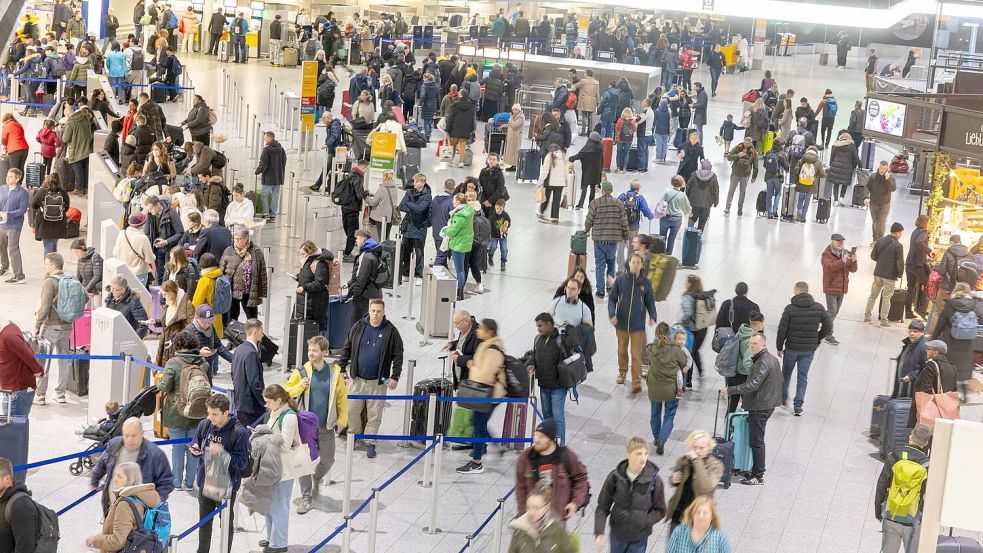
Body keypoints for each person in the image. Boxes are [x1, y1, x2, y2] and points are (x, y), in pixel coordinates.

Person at [284, 335, 347, 514]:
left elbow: (342, 398)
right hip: (305, 426)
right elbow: (286, 392)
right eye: (309, 350)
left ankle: (316, 478)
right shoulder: (301, 372)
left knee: (328, 459)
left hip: (326, 426)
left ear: (324, 352)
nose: (311, 353)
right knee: (303, 461)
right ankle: (306, 497)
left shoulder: (335, 373)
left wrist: (342, 420)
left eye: (315, 350)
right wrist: (299, 387)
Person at [335, 299, 403, 459]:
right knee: (352, 410)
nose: (375, 314)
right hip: (356, 379)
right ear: (369, 310)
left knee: (375, 413)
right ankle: (354, 435)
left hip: (378, 382)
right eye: (373, 311)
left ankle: (370, 441)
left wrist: (395, 376)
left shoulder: (390, 331)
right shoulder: (359, 326)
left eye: (378, 311)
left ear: (383, 312)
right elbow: (347, 346)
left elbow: (398, 353)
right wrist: (341, 367)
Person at [189, 393, 251, 553]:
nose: (210, 417)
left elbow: (242, 462)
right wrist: (194, 449)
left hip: (226, 487)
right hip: (205, 483)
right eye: (209, 413)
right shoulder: (204, 424)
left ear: (226, 412)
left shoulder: (240, 433)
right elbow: (196, 443)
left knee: (226, 525)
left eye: (214, 414)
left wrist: (222, 454)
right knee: (204, 524)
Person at [723, 332, 782, 485]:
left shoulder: (763, 361)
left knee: (756, 441)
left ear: (764, 344)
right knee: (756, 440)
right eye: (750, 343)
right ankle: (755, 471)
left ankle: (758, 475)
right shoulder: (771, 359)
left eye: (754, 343)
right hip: (766, 403)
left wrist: (731, 390)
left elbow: (753, 384)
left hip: (760, 407)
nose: (751, 346)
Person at [593, 437, 667, 552]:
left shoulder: (654, 480)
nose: (643, 458)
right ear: (629, 454)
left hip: (639, 538)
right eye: (638, 454)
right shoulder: (615, 477)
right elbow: (602, 506)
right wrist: (599, 531)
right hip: (617, 534)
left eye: (645, 454)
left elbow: (661, 510)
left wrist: (645, 521)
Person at [90, 417, 173, 515]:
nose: (130, 439)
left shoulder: (155, 455)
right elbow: (101, 464)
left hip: (138, 514)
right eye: (126, 435)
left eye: (134, 435)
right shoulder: (114, 445)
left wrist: (155, 501)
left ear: (142, 433)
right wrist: (94, 481)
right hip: (111, 507)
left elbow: (166, 482)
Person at [456, 318, 507, 474]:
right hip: (487, 392)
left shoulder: (492, 349)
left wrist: (471, 365)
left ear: (489, 332)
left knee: (478, 424)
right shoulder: (487, 345)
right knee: (478, 422)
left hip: (491, 394)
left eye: (481, 329)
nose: (478, 330)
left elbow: (485, 375)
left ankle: (477, 462)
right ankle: (496, 446)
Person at [513, 419, 589, 519]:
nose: (536, 439)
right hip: (531, 517)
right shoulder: (526, 457)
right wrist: (523, 513)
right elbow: (520, 488)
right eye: (535, 435)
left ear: (551, 439)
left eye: (541, 437)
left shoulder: (566, 456)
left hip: (556, 519)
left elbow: (581, 479)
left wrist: (575, 503)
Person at [874, 424, 932, 553]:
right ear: (926, 443)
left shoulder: (894, 455)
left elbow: (882, 484)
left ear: (910, 437)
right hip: (913, 518)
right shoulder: (927, 464)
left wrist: (878, 511)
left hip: (892, 514)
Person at [777, 282, 832, 416]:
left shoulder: (790, 309)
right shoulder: (818, 308)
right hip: (808, 350)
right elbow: (828, 326)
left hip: (791, 348)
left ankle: (783, 399)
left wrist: (779, 346)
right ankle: (798, 406)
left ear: (797, 291)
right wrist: (817, 339)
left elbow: (782, 329)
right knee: (803, 377)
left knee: (786, 374)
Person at [158, 330, 204, 491]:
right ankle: (190, 482)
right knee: (194, 448)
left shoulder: (173, 362)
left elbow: (164, 386)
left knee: (177, 448)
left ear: (178, 345)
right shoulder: (203, 363)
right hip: (198, 412)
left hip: (176, 411)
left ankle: (177, 482)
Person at [84, 461, 162, 552]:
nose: (115, 479)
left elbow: (117, 541)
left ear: (130, 479)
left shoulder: (125, 505)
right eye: (115, 475)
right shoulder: (143, 497)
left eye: (120, 476)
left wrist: (94, 540)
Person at [610, 254, 658, 394]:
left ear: (642, 265)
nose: (635, 265)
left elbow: (650, 301)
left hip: (638, 325)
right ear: (629, 263)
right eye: (633, 262)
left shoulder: (646, 283)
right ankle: (622, 372)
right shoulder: (620, 281)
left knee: (636, 354)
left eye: (638, 263)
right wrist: (612, 314)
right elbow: (612, 299)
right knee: (622, 350)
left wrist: (652, 316)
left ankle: (636, 381)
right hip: (622, 323)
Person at [666, 431, 724, 534]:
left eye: (701, 448)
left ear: (709, 448)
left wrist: (696, 461)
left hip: (699, 517)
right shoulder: (684, 460)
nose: (697, 451)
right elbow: (677, 480)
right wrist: (673, 479)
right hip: (679, 514)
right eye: (694, 447)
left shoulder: (716, 465)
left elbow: (705, 487)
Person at [930, 282, 978, 402]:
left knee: (950, 367)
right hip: (967, 343)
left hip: (951, 341)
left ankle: (950, 395)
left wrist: (933, 338)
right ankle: (965, 395)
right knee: (965, 367)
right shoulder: (973, 305)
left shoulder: (950, 304)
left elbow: (941, 322)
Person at [646, 322, 687, 454]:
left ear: (656, 334)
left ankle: (657, 438)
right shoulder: (676, 351)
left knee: (655, 413)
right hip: (672, 389)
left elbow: (648, 360)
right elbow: (684, 363)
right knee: (669, 415)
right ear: (670, 335)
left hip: (654, 387)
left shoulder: (651, 349)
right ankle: (663, 440)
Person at [585, 181, 629, 298]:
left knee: (599, 264)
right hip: (613, 239)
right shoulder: (619, 204)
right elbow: (624, 222)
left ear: (602, 190)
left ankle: (600, 290)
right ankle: (610, 286)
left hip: (599, 239)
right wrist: (626, 237)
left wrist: (586, 229)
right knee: (611, 262)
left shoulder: (595, 203)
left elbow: (589, 219)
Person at [220, 227, 268, 322]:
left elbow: (262, 273)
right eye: (235, 238)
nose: (237, 241)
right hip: (233, 290)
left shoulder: (256, 252)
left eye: (240, 238)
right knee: (232, 317)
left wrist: (262, 292)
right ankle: (233, 336)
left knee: (252, 317)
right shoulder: (229, 251)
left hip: (249, 291)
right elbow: (221, 269)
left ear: (247, 239)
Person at [508, 483, 574, 553]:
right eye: (529, 507)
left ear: (546, 507)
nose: (531, 512)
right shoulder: (520, 527)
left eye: (536, 508)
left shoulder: (557, 528)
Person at [906, 341, 958, 428]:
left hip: (931, 410)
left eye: (929, 349)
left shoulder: (931, 365)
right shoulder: (952, 368)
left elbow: (925, 389)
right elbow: (954, 390)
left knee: (923, 435)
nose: (926, 351)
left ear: (936, 352)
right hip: (945, 410)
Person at [820, 234, 858, 345]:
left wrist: (854, 261)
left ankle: (822, 325)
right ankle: (827, 334)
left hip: (842, 288)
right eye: (838, 241)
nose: (841, 243)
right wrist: (842, 261)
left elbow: (853, 270)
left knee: (834, 312)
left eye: (842, 241)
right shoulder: (826, 254)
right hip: (831, 287)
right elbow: (828, 268)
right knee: (832, 311)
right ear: (832, 241)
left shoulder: (846, 252)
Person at [866, 222, 905, 327]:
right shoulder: (898, 246)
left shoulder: (880, 240)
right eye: (901, 232)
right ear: (897, 233)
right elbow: (899, 262)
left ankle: (867, 316)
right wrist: (900, 274)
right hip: (889, 276)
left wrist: (881, 262)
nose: (901, 235)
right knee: (887, 298)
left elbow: (873, 256)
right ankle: (884, 320)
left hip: (878, 273)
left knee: (873, 296)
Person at [230, 318, 267, 426]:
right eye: (261, 332)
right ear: (255, 332)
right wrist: (264, 401)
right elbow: (254, 381)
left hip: (240, 403)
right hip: (252, 407)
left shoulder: (239, 349)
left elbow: (233, 374)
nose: (262, 335)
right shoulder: (251, 353)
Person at [149, 279, 195, 367]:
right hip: (166, 342)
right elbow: (167, 322)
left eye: (165, 294)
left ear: (171, 292)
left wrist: (175, 340)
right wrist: (156, 322)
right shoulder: (169, 303)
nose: (164, 297)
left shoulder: (187, 305)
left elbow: (189, 328)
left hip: (178, 345)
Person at [343, 229, 385, 324]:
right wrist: (349, 283)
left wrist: (355, 293)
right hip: (375, 291)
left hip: (364, 295)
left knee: (358, 322)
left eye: (357, 238)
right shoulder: (375, 250)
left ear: (363, 239)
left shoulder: (366, 256)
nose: (356, 241)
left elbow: (361, 278)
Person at [665, 496, 732, 553]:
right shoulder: (679, 532)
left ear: (712, 516)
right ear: (692, 514)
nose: (700, 516)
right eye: (697, 512)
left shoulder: (721, 538)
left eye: (705, 513)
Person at [398, 173, 432, 283]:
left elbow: (420, 209)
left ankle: (418, 275)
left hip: (419, 228)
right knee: (406, 251)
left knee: (419, 252)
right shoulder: (409, 193)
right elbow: (401, 206)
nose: (414, 184)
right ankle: (406, 272)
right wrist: (413, 208)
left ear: (422, 182)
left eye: (417, 181)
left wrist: (409, 204)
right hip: (408, 226)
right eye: (414, 181)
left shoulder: (427, 196)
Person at [293, 241, 333, 334]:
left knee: (310, 330)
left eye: (303, 254)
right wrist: (299, 278)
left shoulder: (319, 263)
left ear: (310, 252)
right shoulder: (308, 261)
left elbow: (320, 282)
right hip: (304, 300)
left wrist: (305, 286)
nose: (301, 256)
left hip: (313, 303)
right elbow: (309, 277)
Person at [143, 194, 184, 284]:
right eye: (148, 209)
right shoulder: (150, 215)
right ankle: (160, 294)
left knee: (167, 273)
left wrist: (166, 242)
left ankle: (166, 294)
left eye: (151, 208)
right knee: (159, 274)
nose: (149, 211)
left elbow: (180, 232)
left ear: (158, 204)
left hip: (169, 248)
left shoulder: (171, 213)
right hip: (157, 248)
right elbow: (147, 233)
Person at [680, 275, 712, 387]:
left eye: (686, 281)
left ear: (689, 284)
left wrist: (681, 321)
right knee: (695, 351)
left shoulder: (687, 296)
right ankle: (701, 372)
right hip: (703, 329)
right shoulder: (703, 295)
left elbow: (688, 313)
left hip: (691, 330)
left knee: (689, 353)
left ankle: (688, 381)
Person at [334, 160, 369, 262]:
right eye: (366, 169)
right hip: (353, 207)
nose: (365, 172)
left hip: (345, 205)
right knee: (353, 231)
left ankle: (349, 245)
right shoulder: (358, 177)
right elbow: (359, 194)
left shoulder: (350, 174)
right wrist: (366, 192)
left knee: (347, 228)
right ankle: (347, 253)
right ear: (363, 168)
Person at [186, 305, 233, 377]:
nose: (206, 325)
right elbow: (182, 352)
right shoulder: (188, 331)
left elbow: (218, 346)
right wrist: (199, 353)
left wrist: (233, 359)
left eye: (209, 322)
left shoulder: (211, 328)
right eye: (203, 322)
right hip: (194, 371)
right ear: (196, 317)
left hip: (208, 368)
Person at [617, 181, 655, 266]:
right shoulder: (640, 198)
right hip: (633, 227)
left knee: (620, 247)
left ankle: (620, 267)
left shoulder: (622, 196)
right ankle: (630, 266)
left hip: (621, 227)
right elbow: (646, 211)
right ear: (638, 188)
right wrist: (650, 216)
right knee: (632, 247)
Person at [0, 168, 28, 284]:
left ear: (17, 179)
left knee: (13, 249)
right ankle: (5, 266)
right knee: (1, 246)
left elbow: (22, 210)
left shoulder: (22, 193)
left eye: (11, 176)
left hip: (14, 225)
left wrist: (9, 215)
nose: (8, 178)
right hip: (2, 224)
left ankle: (19, 275)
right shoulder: (2, 188)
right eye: (8, 175)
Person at [445, 192, 475, 301]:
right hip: (464, 242)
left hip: (459, 244)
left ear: (458, 201)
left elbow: (453, 231)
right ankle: (459, 291)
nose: (452, 201)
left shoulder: (460, 215)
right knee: (461, 268)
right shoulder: (468, 210)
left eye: (454, 200)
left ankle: (459, 291)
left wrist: (445, 230)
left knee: (460, 270)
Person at [28, 175, 68, 255]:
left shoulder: (42, 191)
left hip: (44, 222)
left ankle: (49, 265)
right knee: (53, 244)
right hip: (58, 222)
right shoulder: (62, 192)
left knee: (48, 246)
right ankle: (54, 263)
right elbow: (67, 206)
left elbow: (33, 205)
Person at [905, 215, 932, 321]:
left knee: (910, 288)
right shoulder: (923, 231)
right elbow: (919, 243)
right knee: (929, 285)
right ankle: (921, 309)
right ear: (925, 222)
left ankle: (908, 312)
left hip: (910, 263)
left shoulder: (915, 231)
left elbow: (917, 245)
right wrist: (930, 251)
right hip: (918, 265)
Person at [723, 137, 759, 217]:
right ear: (743, 142)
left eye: (748, 143)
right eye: (745, 143)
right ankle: (727, 207)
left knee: (742, 192)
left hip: (745, 175)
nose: (746, 145)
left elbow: (756, 165)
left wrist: (754, 176)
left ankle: (740, 209)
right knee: (731, 190)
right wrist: (737, 155)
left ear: (751, 143)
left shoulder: (753, 152)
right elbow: (729, 157)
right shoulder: (737, 148)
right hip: (735, 173)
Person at [256, 132, 287, 221]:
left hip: (268, 177)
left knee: (264, 195)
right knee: (275, 196)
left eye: (265, 138)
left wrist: (258, 171)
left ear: (270, 138)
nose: (264, 139)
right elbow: (284, 161)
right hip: (278, 177)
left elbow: (263, 163)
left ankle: (265, 213)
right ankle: (273, 215)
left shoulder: (266, 150)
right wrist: (280, 170)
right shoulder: (281, 149)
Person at [658, 176, 692, 255]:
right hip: (677, 219)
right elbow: (687, 208)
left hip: (665, 217)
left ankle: (661, 252)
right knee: (672, 237)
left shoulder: (667, 192)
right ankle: (669, 253)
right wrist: (689, 213)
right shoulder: (682, 195)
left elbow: (661, 202)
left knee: (662, 237)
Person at [569, 132, 603, 209]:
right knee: (593, 188)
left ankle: (580, 204)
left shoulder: (587, 148)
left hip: (588, 171)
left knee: (585, 187)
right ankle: (591, 205)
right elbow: (602, 161)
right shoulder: (600, 148)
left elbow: (579, 155)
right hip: (596, 171)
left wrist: (571, 158)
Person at [445, 88, 477, 167]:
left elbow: (450, 118)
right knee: (462, 146)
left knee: (453, 145)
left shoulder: (455, 106)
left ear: (461, 95)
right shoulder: (471, 107)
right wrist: (472, 129)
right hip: (465, 129)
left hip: (455, 129)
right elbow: (473, 119)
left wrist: (447, 129)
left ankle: (450, 159)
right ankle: (461, 162)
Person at [868, 161, 898, 244]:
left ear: (887, 169)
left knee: (882, 222)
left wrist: (888, 179)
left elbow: (893, 189)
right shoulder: (873, 177)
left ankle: (880, 240)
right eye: (881, 168)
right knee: (875, 222)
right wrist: (866, 197)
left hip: (885, 204)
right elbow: (867, 187)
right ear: (879, 167)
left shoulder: (890, 178)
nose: (882, 170)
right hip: (873, 203)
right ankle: (875, 240)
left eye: (884, 169)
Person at [538, 145, 568, 224]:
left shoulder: (549, 156)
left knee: (546, 198)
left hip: (550, 182)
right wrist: (566, 181)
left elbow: (545, 171)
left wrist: (540, 182)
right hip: (560, 183)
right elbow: (565, 171)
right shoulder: (563, 157)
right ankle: (554, 218)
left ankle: (541, 212)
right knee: (556, 201)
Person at [686, 159, 718, 231]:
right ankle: (698, 238)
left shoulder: (694, 175)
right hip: (707, 204)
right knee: (702, 223)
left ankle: (689, 236)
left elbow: (688, 187)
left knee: (691, 219)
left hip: (694, 202)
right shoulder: (713, 178)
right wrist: (716, 202)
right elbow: (716, 191)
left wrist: (688, 198)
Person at [488, 199, 511, 271]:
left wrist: (506, 227)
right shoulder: (492, 216)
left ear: (503, 208)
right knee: (493, 247)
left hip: (503, 236)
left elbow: (508, 222)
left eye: (500, 209)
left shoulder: (505, 215)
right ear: (495, 207)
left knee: (504, 249)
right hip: (494, 236)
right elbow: (489, 225)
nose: (498, 210)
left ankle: (503, 262)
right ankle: (490, 255)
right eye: (497, 208)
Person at [503, 104, 526, 172]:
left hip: (516, 137)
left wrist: (510, 118)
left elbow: (514, 125)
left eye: (516, 109)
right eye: (513, 109)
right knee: (511, 151)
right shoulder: (514, 116)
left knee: (515, 151)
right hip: (511, 136)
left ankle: (515, 165)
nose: (514, 110)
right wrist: (505, 125)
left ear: (519, 110)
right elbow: (510, 124)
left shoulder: (521, 117)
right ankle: (511, 164)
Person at [614, 108, 637, 173]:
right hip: (629, 139)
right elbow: (634, 130)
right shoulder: (632, 121)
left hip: (620, 139)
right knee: (626, 153)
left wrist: (615, 137)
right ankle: (624, 169)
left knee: (619, 153)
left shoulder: (620, 120)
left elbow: (617, 129)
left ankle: (618, 168)